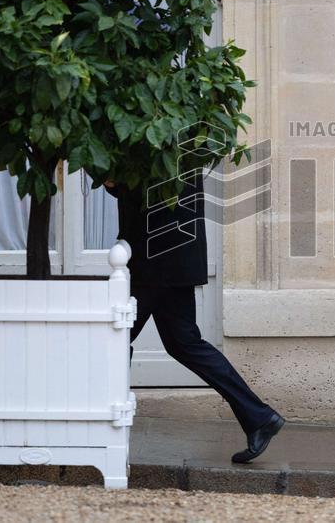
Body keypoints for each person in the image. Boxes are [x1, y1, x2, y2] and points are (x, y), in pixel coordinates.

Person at [104, 171, 284, 464]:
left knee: (114, 337)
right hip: (172, 255)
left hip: (156, 257)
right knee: (183, 343)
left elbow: (142, 183)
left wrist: (109, 176)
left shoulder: (166, 142)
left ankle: (99, 427)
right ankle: (258, 417)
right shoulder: (188, 144)